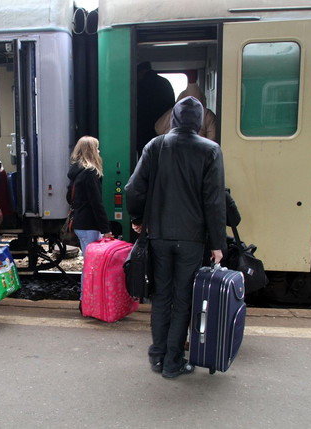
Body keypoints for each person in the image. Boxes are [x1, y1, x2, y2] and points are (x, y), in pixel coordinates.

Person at [125, 96, 226, 379]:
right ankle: (173, 362)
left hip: (158, 236)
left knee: (160, 298)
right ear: (198, 121)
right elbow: (214, 201)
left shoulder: (155, 146)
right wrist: (218, 244)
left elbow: (134, 190)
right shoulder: (211, 150)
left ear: (174, 119)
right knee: (183, 299)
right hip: (192, 239)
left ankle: (157, 357)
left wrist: (138, 219)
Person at [66, 136, 112, 306]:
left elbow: (68, 197)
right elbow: (97, 204)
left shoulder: (75, 172)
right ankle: (86, 302)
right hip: (89, 225)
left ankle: (88, 300)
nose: (99, 151)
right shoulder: (90, 173)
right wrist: (106, 228)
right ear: (91, 151)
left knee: (90, 263)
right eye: (97, 148)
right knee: (91, 266)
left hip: (79, 223)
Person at [136, 61, 175, 157]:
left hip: (144, 129)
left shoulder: (140, 85)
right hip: (164, 128)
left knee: (145, 156)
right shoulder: (165, 83)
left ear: (141, 72)